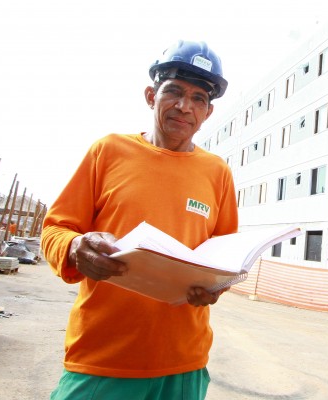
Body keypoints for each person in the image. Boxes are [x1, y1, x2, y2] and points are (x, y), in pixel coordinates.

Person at [41, 40, 238, 399]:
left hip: (184, 363)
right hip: (102, 358)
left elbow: (225, 255)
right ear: (151, 96)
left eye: (198, 99)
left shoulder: (217, 172)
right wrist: (74, 247)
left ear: (208, 113)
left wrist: (216, 286)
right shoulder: (109, 151)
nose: (184, 106)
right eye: (174, 92)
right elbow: (56, 228)